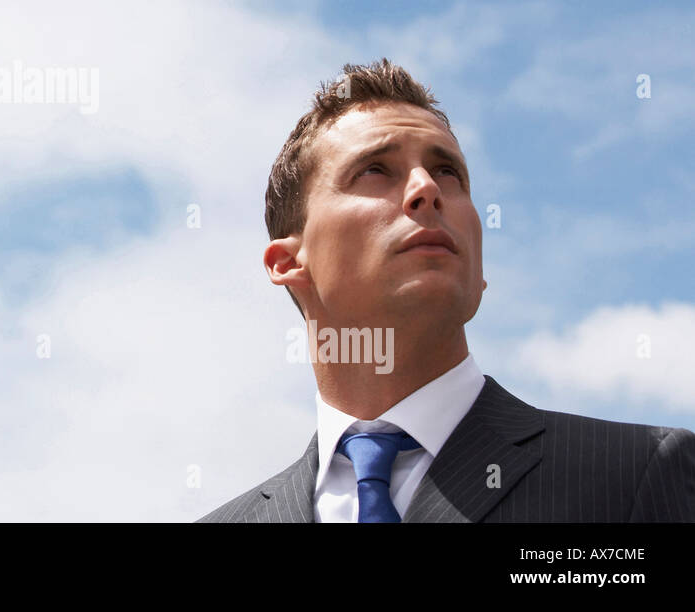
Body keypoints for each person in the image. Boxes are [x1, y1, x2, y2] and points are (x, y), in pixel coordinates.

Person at [197, 58, 695, 522]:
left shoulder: (636, 476)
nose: (426, 188)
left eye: (447, 172)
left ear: (478, 268)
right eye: (375, 169)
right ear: (287, 262)